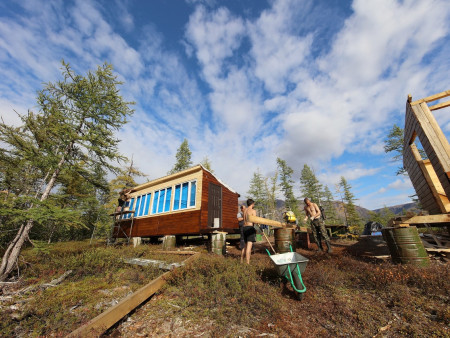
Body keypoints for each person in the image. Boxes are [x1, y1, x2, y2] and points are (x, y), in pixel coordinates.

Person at [243, 199, 257, 264]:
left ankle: (241, 261)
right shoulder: (253, 211)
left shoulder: (244, 210)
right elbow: (255, 220)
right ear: (252, 204)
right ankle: (247, 263)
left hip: (244, 228)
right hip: (249, 228)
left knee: (245, 246)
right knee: (249, 246)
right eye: (254, 204)